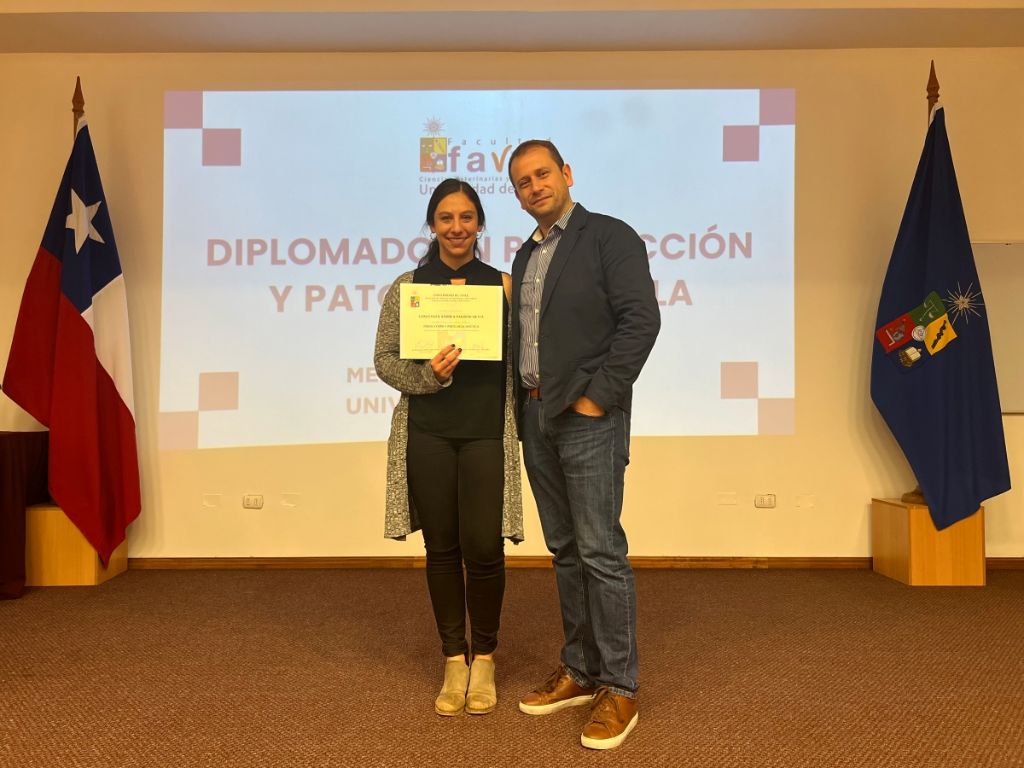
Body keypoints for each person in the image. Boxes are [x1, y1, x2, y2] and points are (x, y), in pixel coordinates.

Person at [508, 141, 660, 750]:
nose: (535, 186)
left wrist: (599, 396)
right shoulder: (525, 254)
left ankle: (620, 686)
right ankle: (581, 668)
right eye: (523, 182)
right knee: (565, 550)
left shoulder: (609, 236)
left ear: (566, 174)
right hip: (536, 415)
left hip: (587, 417)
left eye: (542, 173)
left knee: (600, 551)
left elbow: (641, 320)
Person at [374, 178, 523, 717]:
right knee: (441, 549)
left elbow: (526, 359)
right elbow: (384, 360)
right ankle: (453, 660)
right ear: (432, 225)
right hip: (428, 434)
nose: (456, 227)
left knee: (483, 548)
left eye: (466, 217)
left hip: (486, 433)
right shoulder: (407, 287)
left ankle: (485, 658)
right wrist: (428, 376)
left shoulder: (504, 286)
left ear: (479, 224)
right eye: (445, 218)